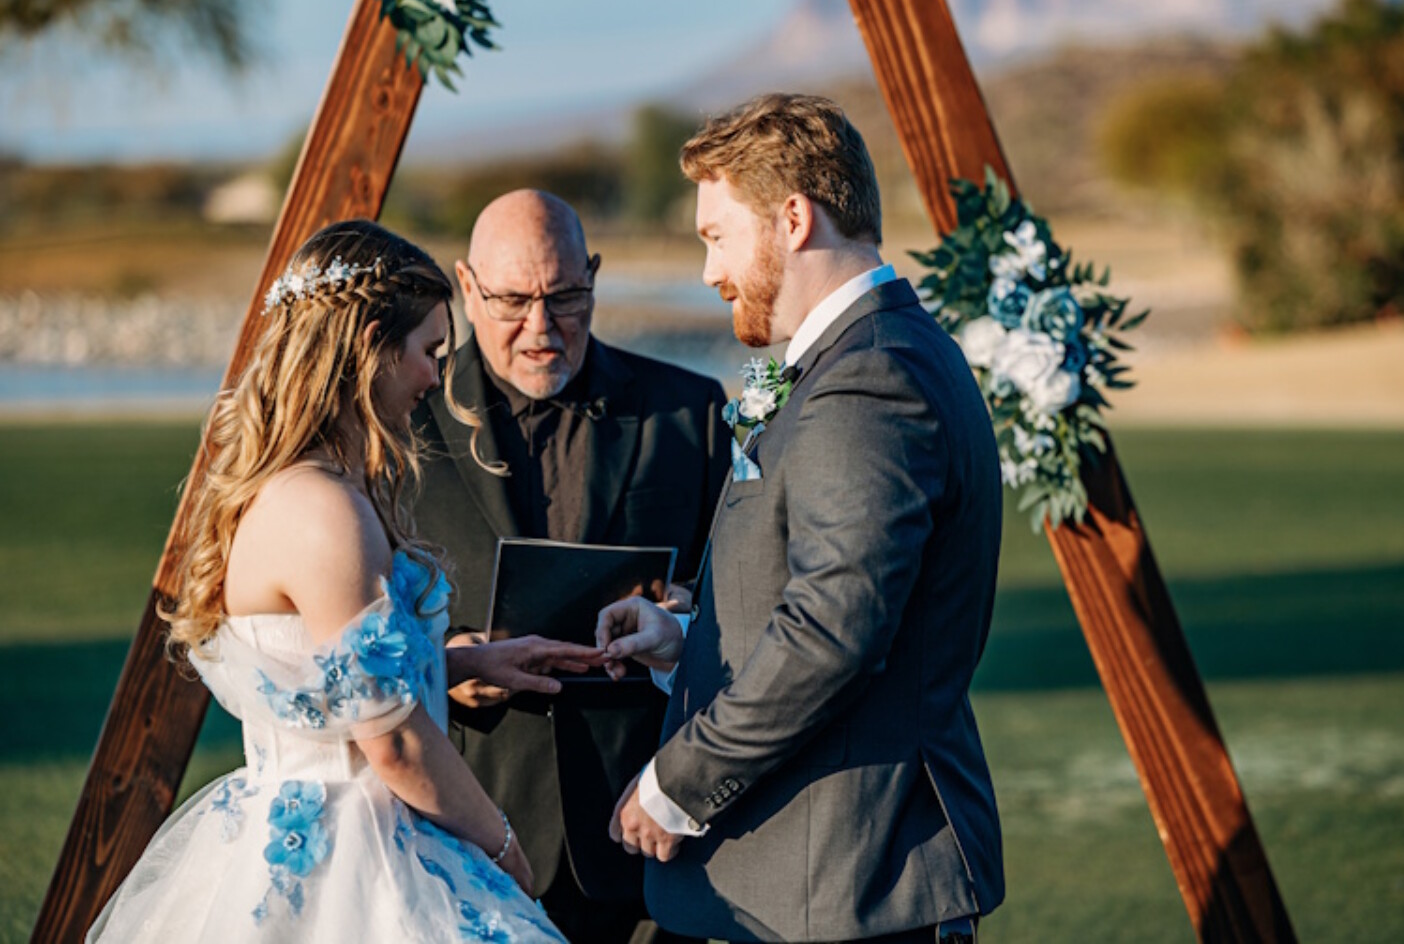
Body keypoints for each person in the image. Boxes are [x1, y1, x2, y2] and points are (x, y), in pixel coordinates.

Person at [87, 219, 606, 942]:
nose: (433, 378)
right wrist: (501, 849)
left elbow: (319, 678)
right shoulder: (326, 511)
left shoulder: (293, 489)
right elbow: (389, 741)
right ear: (370, 348)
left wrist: (459, 661)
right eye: (428, 351)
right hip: (352, 854)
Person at [597, 94, 1007, 943]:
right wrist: (691, 643)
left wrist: (679, 783)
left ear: (792, 218)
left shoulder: (870, 378)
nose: (710, 272)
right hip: (815, 885)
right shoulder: (857, 359)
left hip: (851, 882)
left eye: (717, 236)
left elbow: (836, 627)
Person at [411, 190, 730, 942]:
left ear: (594, 276)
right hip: (460, 835)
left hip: (646, 842)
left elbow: (745, 605)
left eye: (565, 297)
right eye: (513, 300)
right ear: (466, 286)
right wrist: (451, 661)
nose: (541, 328)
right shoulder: (400, 423)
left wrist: (684, 615)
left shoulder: (690, 413)